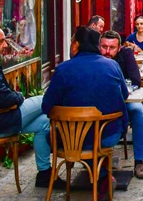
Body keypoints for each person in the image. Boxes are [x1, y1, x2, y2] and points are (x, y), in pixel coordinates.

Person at [0, 25, 65, 189]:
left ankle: (45, 175)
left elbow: (0, 96)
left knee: (45, 122)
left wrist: (15, 97)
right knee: (46, 99)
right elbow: (4, 99)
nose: (5, 45)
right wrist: (20, 96)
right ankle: (74, 124)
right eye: (1, 41)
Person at [42, 26, 128, 198]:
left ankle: (101, 174)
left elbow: (47, 106)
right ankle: (102, 173)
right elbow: (124, 94)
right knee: (92, 138)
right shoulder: (112, 66)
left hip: (71, 138)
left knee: (50, 135)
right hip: (108, 134)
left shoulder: (63, 70)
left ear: (76, 45)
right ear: (98, 46)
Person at [99, 31, 143, 179]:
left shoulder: (125, 54)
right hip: (100, 102)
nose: (107, 51)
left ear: (119, 47)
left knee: (138, 111)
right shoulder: (95, 58)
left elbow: (136, 80)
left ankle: (139, 161)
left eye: (112, 48)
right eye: (104, 47)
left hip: (123, 99)